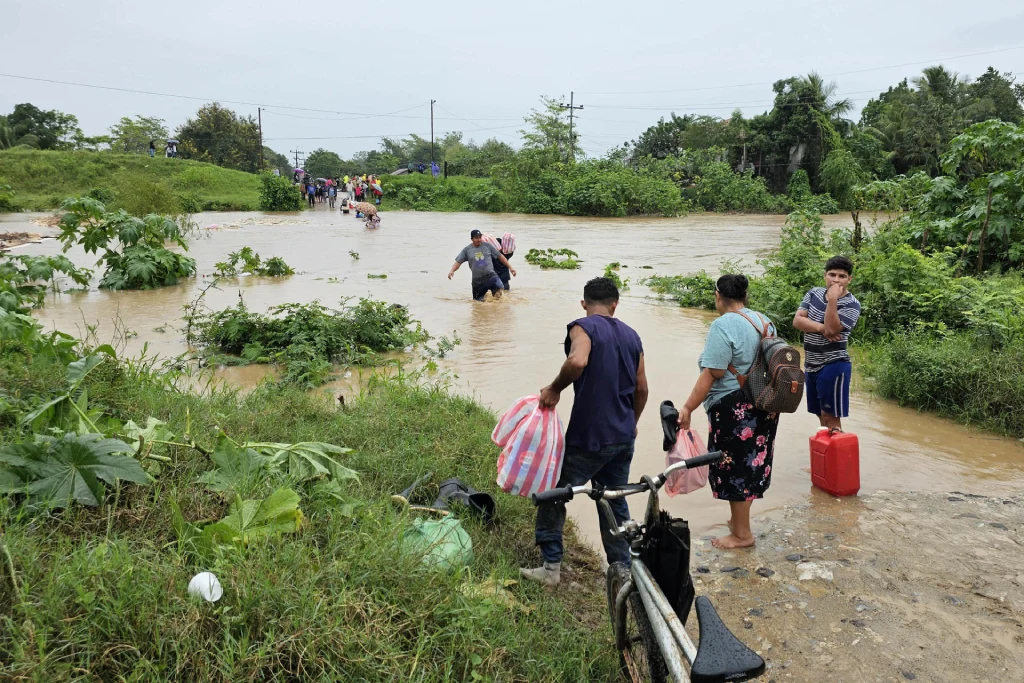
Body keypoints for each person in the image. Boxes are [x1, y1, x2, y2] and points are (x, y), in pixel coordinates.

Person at [521, 277, 648, 586]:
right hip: (622, 436)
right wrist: (631, 423)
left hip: (591, 435)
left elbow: (577, 361)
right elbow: (642, 388)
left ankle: (551, 567)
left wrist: (553, 389)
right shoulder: (632, 336)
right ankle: (624, 570)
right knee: (613, 498)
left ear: (584, 303)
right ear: (615, 304)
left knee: (553, 494)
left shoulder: (582, 326)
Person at [677, 274, 780, 550]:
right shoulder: (764, 321)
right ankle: (738, 524)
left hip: (735, 407)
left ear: (718, 296)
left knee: (735, 467)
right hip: (765, 403)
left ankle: (743, 535)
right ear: (745, 296)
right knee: (752, 464)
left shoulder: (722, 326)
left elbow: (714, 372)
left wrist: (687, 407)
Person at [792, 256, 861, 431]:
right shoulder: (813, 293)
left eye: (842, 276)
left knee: (831, 419)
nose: (836, 280)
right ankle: (825, 455)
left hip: (833, 365)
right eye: (832, 274)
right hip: (811, 365)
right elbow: (798, 321)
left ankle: (838, 455)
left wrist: (832, 300)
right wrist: (822, 328)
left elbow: (833, 331)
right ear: (825, 275)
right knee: (821, 416)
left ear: (849, 279)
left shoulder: (852, 305)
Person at [448, 229, 516, 302]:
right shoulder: (467, 250)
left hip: (491, 276)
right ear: (472, 239)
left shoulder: (488, 246)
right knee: (477, 303)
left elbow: (500, 256)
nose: (479, 239)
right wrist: (452, 271)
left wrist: (511, 268)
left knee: (499, 288)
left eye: (480, 237)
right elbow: (458, 262)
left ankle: (497, 310)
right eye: (476, 238)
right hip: (477, 281)